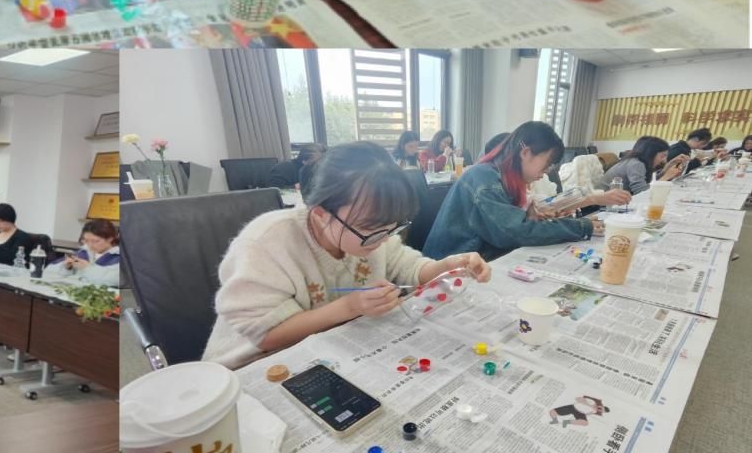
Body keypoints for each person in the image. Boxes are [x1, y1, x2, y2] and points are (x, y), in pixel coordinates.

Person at [202, 143, 492, 369]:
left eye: (392, 227)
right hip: (252, 365)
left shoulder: (372, 234)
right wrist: (350, 307)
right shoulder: (267, 242)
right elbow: (267, 335)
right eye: (371, 229)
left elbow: (409, 268)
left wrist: (448, 265)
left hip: (326, 350)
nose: (383, 239)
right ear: (321, 214)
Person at [423, 122, 628, 261]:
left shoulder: (502, 177)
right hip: (450, 271)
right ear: (526, 153)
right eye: (548, 163)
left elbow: (520, 220)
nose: (547, 171)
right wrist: (581, 226)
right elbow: (516, 231)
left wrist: (530, 216)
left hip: (475, 258)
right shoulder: (484, 180)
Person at [600, 136, 689, 194]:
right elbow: (641, 192)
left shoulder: (639, 161)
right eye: (662, 156)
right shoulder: (636, 164)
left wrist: (668, 166)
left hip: (614, 198)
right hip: (603, 204)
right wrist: (665, 177)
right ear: (650, 153)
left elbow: (647, 182)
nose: (664, 160)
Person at [45, 220, 121, 287]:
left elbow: (113, 280)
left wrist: (87, 268)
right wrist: (66, 268)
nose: (90, 245)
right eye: (86, 240)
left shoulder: (119, 258)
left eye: (95, 241)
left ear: (110, 239)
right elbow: (48, 271)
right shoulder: (83, 252)